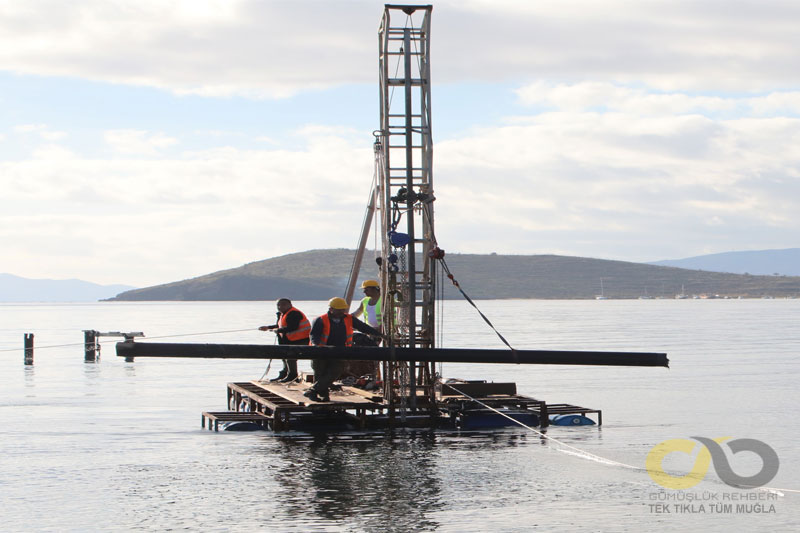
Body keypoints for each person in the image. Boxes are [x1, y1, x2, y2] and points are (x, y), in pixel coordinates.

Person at [304, 297, 382, 402]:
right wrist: (317, 346)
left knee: (336, 371)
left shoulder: (348, 318)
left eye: (343, 309)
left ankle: (312, 390)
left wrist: (379, 334)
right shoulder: (320, 320)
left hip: (340, 351)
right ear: (331, 309)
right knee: (320, 373)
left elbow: (363, 327)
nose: (342, 312)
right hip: (321, 352)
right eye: (339, 310)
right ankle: (322, 395)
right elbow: (314, 336)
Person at [258, 298, 310, 383]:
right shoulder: (282, 314)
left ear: (290, 305)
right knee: (284, 356)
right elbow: (280, 325)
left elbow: (293, 327)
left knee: (290, 357)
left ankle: (292, 376)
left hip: (301, 340)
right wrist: (268, 327)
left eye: (283, 305)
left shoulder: (294, 313)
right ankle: (284, 374)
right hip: (290, 340)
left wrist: (277, 330)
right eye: (278, 305)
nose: (280, 307)